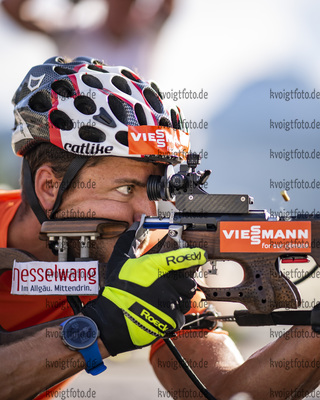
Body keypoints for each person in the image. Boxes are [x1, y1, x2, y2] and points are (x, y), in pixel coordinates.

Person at [1, 56, 320, 400]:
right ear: (49, 186)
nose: (146, 214)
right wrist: (101, 330)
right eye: (126, 189)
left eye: (155, 190)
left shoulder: (151, 251)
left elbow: (225, 392)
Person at [2, 0, 174, 76]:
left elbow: (168, 6)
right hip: (78, 142)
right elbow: (12, 8)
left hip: (134, 142)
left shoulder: (145, 32)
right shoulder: (73, 33)